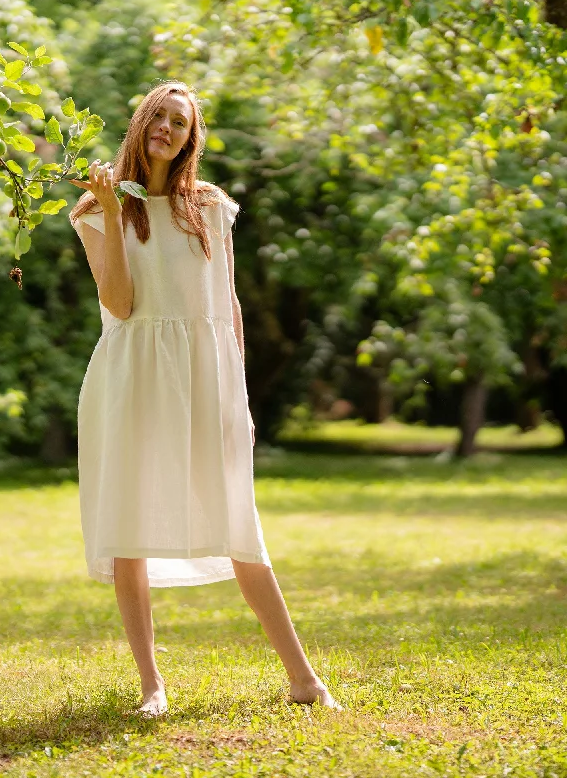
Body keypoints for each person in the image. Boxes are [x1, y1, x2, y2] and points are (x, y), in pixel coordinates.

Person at [68, 81, 340, 717]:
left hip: (204, 374)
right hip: (131, 375)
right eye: (158, 116)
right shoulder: (92, 208)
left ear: (191, 137)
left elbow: (230, 302)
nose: (166, 128)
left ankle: (303, 678)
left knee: (240, 524)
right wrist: (111, 210)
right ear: (139, 123)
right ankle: (151, 684)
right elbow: (120, 303)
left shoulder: (212, 207)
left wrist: (237, 392)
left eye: (180, 122)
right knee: (128, 527)